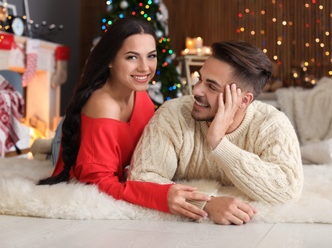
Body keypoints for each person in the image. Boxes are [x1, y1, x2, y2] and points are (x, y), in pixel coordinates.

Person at [38, 16, 210, 220]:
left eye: (151, 56)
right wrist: (160, 196)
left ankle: (44, 146)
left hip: (99, 131)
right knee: (71, 152)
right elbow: (98, 182)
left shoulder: (140, 93)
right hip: (73, 132)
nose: (145, 68)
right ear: (110, 60)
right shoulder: (103, 105)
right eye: (132, 57)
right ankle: (49, 146)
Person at [129, 40, 304, 225]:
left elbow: (288, 190)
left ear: (244, 101)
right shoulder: (172, 115)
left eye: (212, 87)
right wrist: (206, 205)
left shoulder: (271, 124)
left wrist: (219, 143)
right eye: (199, 79)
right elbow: (142, 178)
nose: (196, 90)